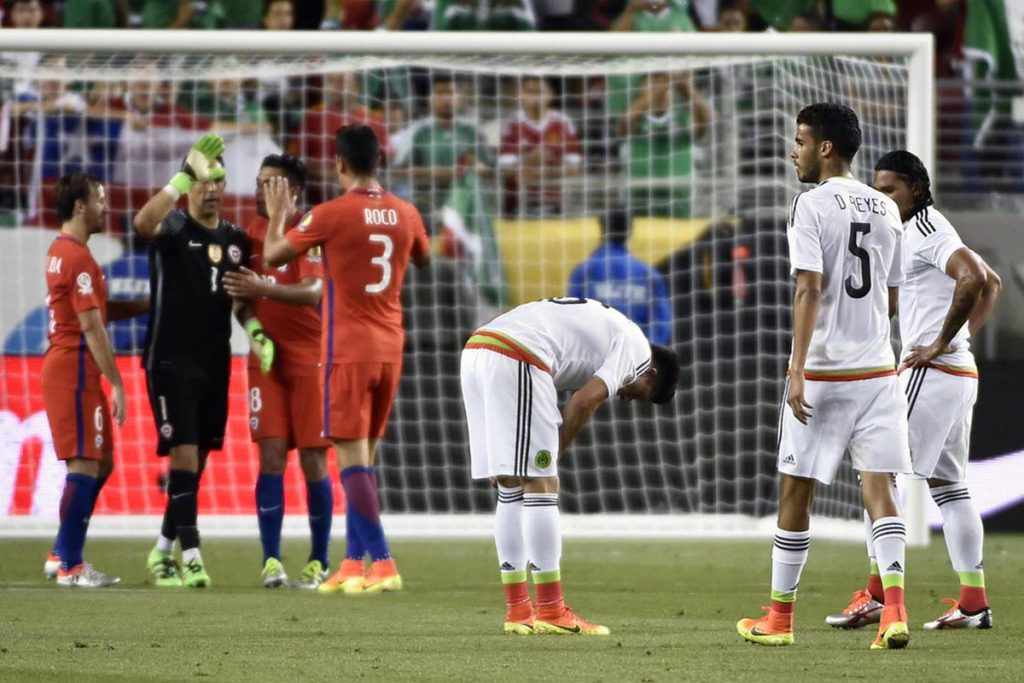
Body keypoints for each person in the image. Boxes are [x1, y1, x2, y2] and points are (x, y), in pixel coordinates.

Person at [736, 103, 913, 650]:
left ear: (825, 148)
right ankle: (895, 614)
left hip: (825, 373)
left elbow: (808, 288)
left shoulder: (810, 204)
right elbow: (889, 297)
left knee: (796, 492)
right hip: (879, 370)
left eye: (800, 141)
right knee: (880, 491)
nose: (795, 151)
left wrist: (797, 369)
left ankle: (780, 619)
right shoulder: (887, 207)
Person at [826, 151, 1001, 631]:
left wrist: (939, 343)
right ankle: (973, 602)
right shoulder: (919, 230)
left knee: (877, 475)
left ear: (917, 189)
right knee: (950, 487)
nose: (883, 196)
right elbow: (994, 285)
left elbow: (977, 279)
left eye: (891, 189)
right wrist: (959, 342)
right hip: (958, 375)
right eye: (878, 188)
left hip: (934, 372)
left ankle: (879, 595)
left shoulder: (926, 229)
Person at [262, 125, 430, 595]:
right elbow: (424, 258)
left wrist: (279, 216)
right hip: (391, 348)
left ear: (338, 163)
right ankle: (354, 564)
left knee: (350, 460)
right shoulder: (406, 212)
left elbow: (275, 254)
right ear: (379, 161)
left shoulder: (330, 215)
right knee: (367, 458)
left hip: (349, 350)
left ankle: (384, 561)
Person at [461, 296, 679, 635]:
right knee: (542, 484)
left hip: (478, 348)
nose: (628, 397)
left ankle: (519, 610)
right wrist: (554, 452)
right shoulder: (637, 349)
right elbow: (582, 402)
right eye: (642, 392)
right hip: (518, 354)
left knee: (510, 486)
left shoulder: (608, 326)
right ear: (650, 372)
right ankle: (551, 610)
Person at [133, 134, 267, 588]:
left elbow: (242, 302)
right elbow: (141, 224)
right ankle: (192, 557)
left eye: (220, 180)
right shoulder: (172, 228)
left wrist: (256, 332)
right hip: (169, 360)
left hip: (215, 362)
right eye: (205, 180)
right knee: (184, 454)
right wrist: (183, 174)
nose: (212, 188)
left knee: (199, 458)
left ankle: (160, 550)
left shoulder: (235, 240)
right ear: (191, 185)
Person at [221, 154, 334, 590]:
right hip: (265, 358)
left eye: (270, 183)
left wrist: (263, 287)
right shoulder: (245, 233)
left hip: (311, 359)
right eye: (258, 181)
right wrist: (253, 330)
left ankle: (319, 560)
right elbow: (240, 297)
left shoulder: (309, 230)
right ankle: (271, 560)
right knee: (269, 457)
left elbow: (312, 292)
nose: (259, 189)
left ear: (293, 192)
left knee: (312, 461)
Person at [40, 172, 147, 586]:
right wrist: (117, 382)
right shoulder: (77, 258)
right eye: (100, 199)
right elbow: (92, 327)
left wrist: (146, 304)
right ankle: (72, 565)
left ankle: (60, 550)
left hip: (75, 369)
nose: (107, 206)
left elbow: (99, 311)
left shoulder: (65, 251)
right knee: (85, 464)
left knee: (102, 463)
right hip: (73, 370)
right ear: (81, 206)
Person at [392, 72, 491, 223]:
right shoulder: (418, 132)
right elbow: (399, 170)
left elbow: (490, 167)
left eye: (450, 93)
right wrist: (438, 172)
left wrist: (476, 167)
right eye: (439, 93)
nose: (445, 99)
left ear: (460, 98)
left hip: (466, 201)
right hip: (426, 200)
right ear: (429, 99)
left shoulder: (472, 131)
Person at [567, 209, 672, 345]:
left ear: (602, 228)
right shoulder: (648, 275)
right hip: (637, 356)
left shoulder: (583, 272)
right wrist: (648, 355)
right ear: (630, 231)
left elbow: (573, 319)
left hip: (595, 358)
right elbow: (661, 323)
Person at [498, 76, 581, 216]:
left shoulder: (564, 122)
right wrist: (531, 158)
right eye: (529, 91)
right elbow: (507, 171)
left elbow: (574, 168)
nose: (535, 97)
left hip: (555, 204)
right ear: (520, 94)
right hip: (518, 206)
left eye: (540, 92)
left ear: (551, 94)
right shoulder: (510, 123)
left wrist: (537, 171)